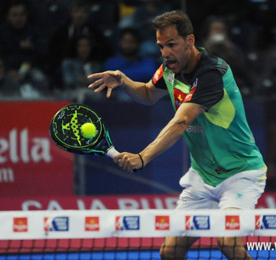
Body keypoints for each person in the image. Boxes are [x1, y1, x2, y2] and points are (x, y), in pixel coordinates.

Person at [88, 10, 266, 259]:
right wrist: (123, 81)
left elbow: (181, 121)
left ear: (190, 41)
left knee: (229, 244)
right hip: (202, 178)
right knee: (170, 251)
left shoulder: (211, 74)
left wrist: (142, 157)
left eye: (171, 44)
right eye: (161, 46)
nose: (165, 53)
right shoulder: (169, 69)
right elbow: (149, 93)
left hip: (239, 174)